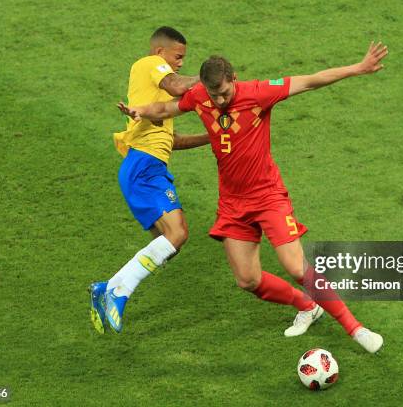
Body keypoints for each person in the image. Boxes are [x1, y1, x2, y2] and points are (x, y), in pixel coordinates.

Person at [117, 42, 388, 353]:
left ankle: (356, 329)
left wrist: (359, 67)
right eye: (212, 94)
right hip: (232, 204)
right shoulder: (200, 96)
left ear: (234, 78)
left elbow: (310, 79)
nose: (218, 100)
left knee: (297, 267)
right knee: (247, 279)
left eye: (223, 93)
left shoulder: (259, 93)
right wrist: (140, 111)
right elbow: (165, 109)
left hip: (267, 196)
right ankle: (308, 307)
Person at [89, 26, 210, 334]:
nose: (180, 63)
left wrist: (212, 136)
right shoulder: (149, 65)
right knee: (177, 234)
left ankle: (108, 287)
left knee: (170, 242)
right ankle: (119, 292)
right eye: (178, 56)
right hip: (144, 166)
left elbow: (172, 140)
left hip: (146, 166)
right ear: (160, 53)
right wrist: (210, 75)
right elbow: (176, 85)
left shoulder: (153, 98)